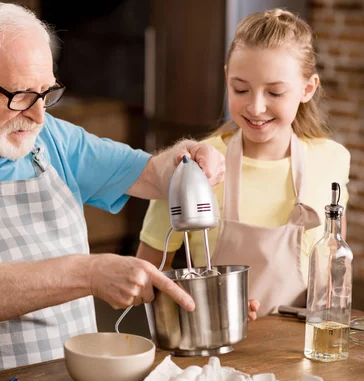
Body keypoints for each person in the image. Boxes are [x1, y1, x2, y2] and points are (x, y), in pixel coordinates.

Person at [0, 2, 225, 376]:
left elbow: (152, 174)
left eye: (46, 93)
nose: (39, 114)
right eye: (22, 96)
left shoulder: (52, 139)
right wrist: (88, 274)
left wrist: (189, 157)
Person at [138, 9, 350, 319]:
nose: (256, 106)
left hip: (301, 353)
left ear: (308, 88)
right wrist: (202, 303)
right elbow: (148, 276)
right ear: (226, 77)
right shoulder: (190, 168)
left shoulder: (331, 160)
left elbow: (334, 271)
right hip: (210, 350)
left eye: (274, 92)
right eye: (240, 89)